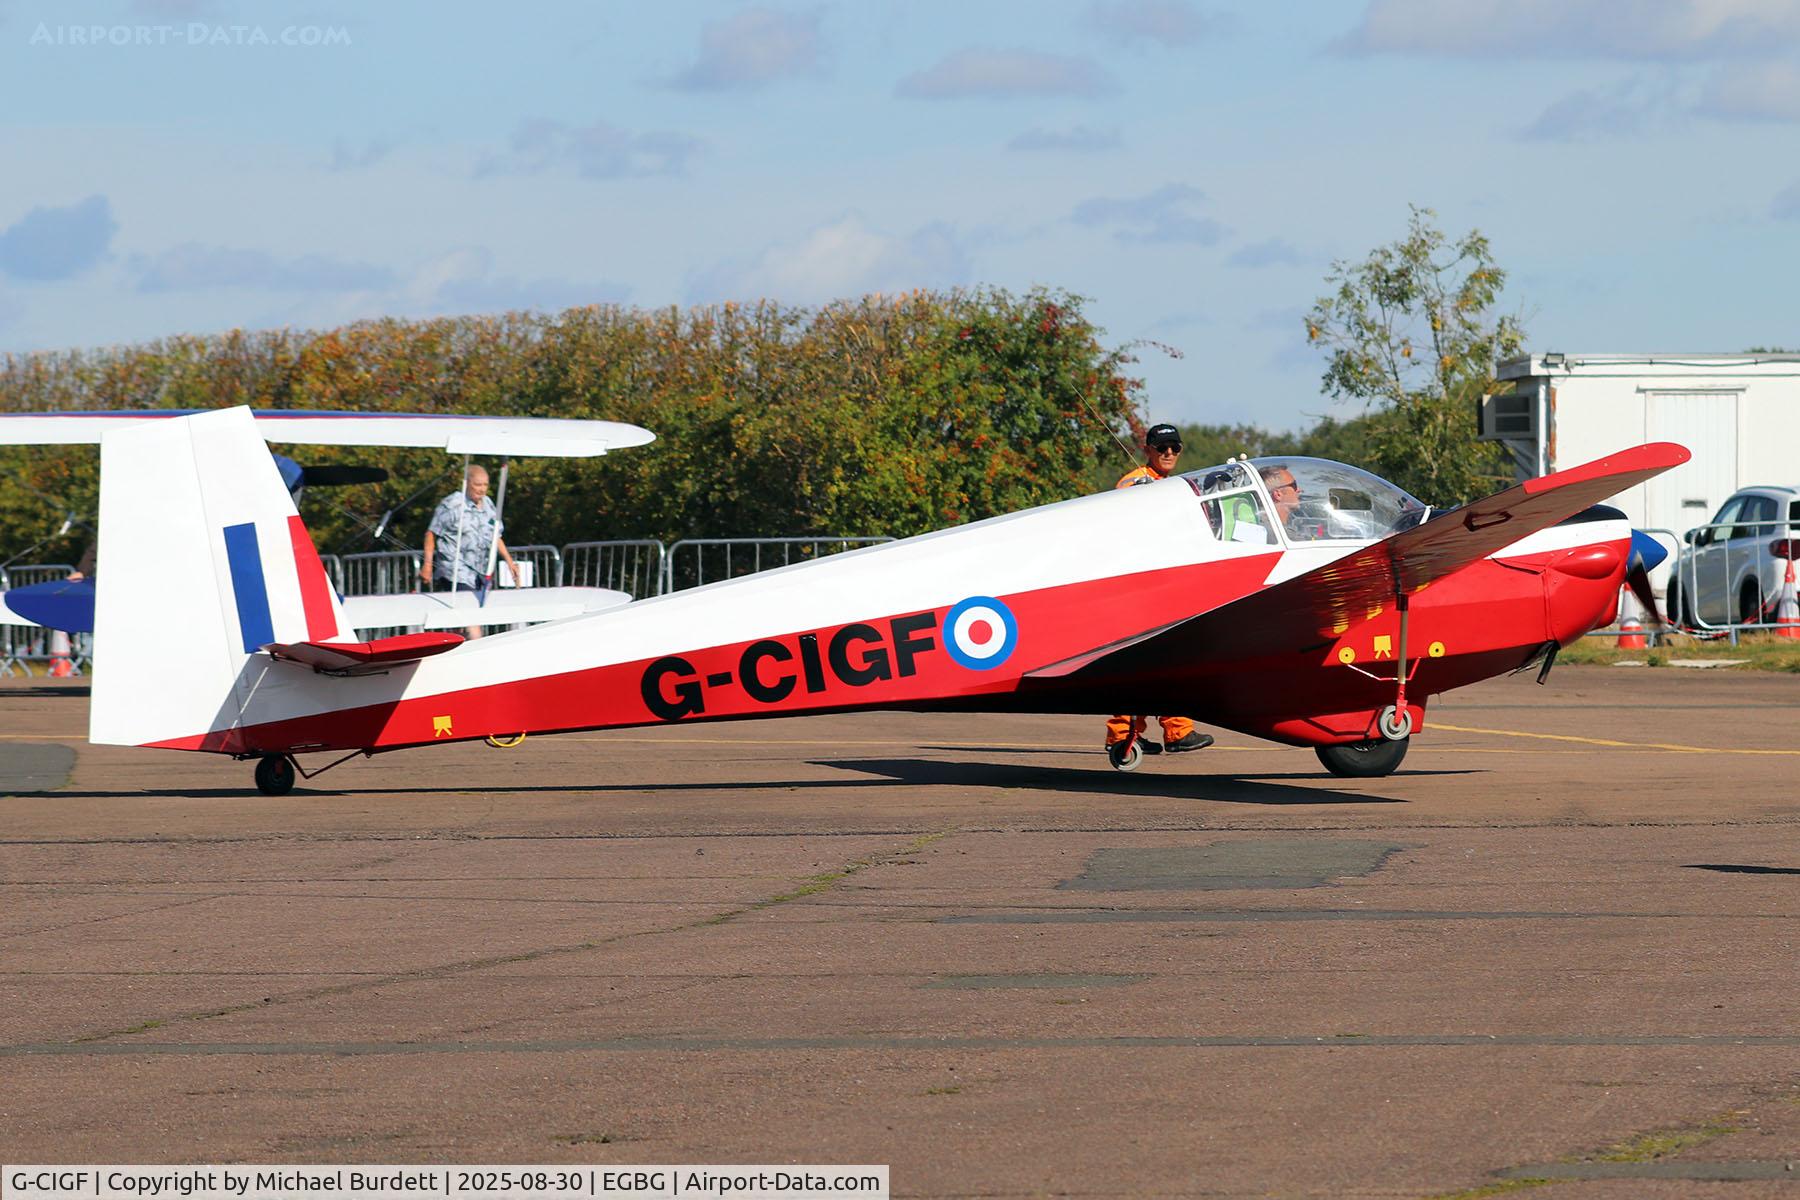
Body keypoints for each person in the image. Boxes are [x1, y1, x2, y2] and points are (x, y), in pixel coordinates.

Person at [1105, 424, 1214, 755]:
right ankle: (1169, 731)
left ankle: (1130, 735)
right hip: (1140, 590)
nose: (1168, 453)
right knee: (1164, 658)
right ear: (1147, 449)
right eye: (1161, 447)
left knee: (1148, 664)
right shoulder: (1134, 482)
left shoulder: (1177, 487)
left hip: (1162, 588)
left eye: (1174, 448)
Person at [420, 465, 520, 639]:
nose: (481, 490)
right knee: (470, 617)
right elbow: (431, 533)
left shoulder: (488, 504)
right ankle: (480, 651)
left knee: (462, 620)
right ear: (467, 483)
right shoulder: (451, 505)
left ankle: (457, 647)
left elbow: (495, 535)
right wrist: (427, 565)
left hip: (480, 571)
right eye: (477, 485)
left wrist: (510, 562)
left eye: (485, 485)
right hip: (455, 569)